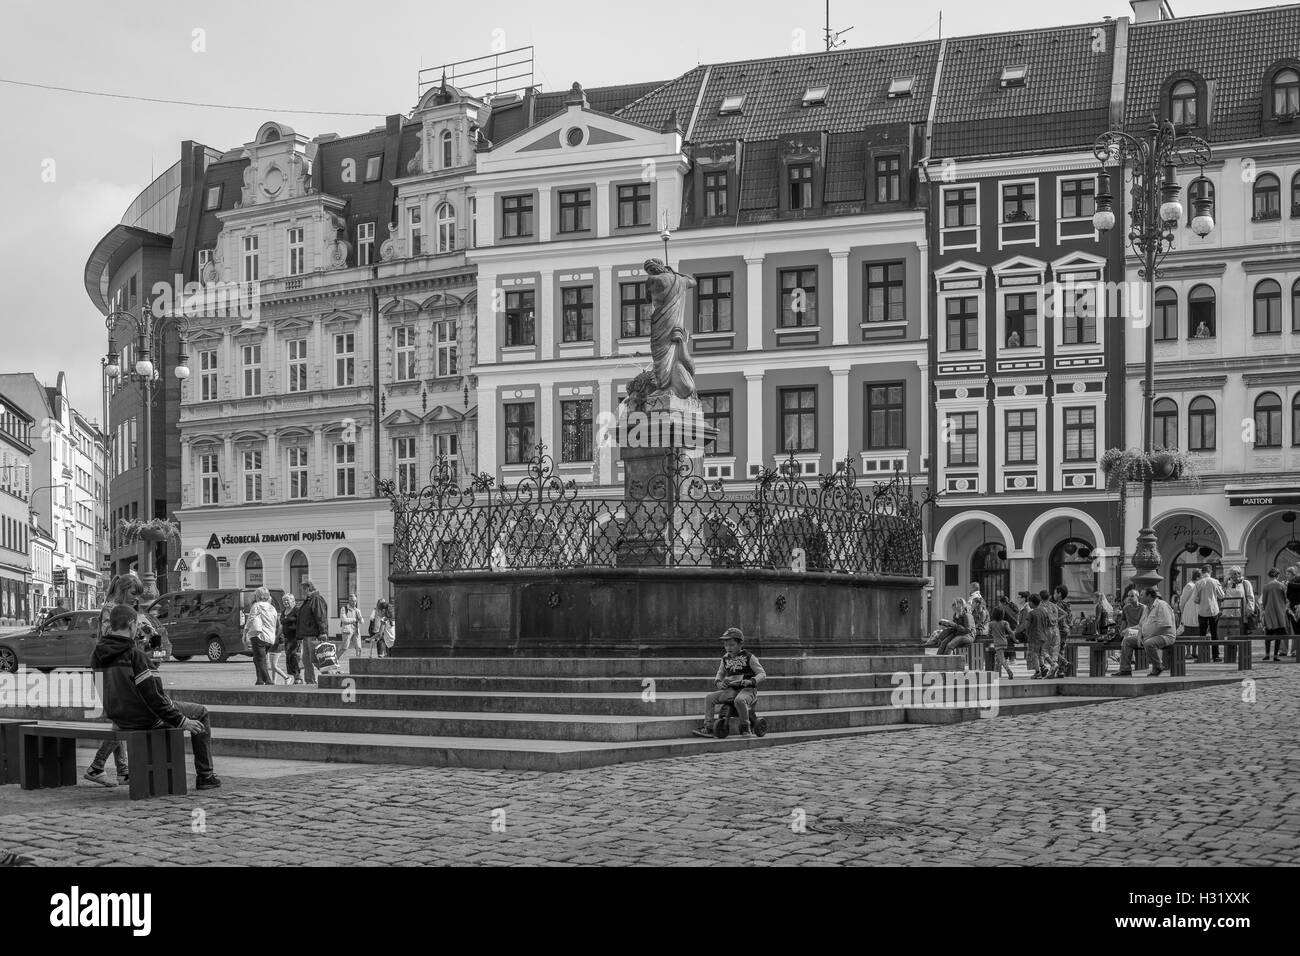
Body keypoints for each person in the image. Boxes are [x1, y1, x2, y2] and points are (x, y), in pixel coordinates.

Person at [91, 603, 221, 790]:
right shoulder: (135, 656)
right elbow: (155, 698)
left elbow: (103, 689)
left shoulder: (97, 654)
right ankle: (206, 776)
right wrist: (181, 721)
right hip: (145, 717)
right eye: (136, 624)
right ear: (131, 624)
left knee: (177, 708)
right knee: (200, 712)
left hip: (118, 716)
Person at [693, 627, 766, 738]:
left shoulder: (749, 657)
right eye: (726, 645)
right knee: (709, 698)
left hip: (747, 690)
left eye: (732, 645)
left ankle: (745, 727)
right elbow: (720, 672)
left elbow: (762, 674)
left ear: (740, 644)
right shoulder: (725, 658)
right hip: (731, 690)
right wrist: (718, 682)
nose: (728, 648)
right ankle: (709, 727)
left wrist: (752, 681)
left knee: (740, 700)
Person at [1116, 586, 1177, 677]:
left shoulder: (1162, 606)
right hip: (1147, 636)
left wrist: (1148, 636)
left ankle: (1157, 667)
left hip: (1165, 636)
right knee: (1127, 641)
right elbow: (1141, 626)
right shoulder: (1147, 608)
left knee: (1148, 643)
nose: (1140, 597)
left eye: (1142, 595)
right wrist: (1139, 636)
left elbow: (1166, 625)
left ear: (1149, 596)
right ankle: (1125, 670)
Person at [1014, 592, 1056, 678]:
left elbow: (1026, 625)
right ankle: (1043, 667)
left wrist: (1016, 631)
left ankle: (1037, 672)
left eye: (1029, 602)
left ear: (1032, 603)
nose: (1028, 604)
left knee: (1034, 654)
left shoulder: (1031, 613)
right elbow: (1050, 623)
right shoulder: (1044, 611)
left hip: (1034, 636)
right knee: (1040, 654)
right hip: (1044, 636)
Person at [243, 587, 279, 685]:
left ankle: (268, 680)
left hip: (259, 636)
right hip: (270, 638)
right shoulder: (272, 608)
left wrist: (245, 633)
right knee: (257, 658)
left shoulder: (257, 606)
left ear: (258, 596)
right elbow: (275, 623)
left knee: (260, 659)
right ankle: (259, 680)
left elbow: (250, 620)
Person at [296, 579, 330, 685]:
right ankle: (310, 681)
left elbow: (320, 616)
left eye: (303, 590)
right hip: (307, 634)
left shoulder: (316, 599)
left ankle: (329, 676)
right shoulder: (309, 600)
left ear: (308, 589)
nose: (302, 592)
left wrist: (323, 632)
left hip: (314, 634)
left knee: (316, 659)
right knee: (306, 660)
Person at [1193, 569, 1225, 662]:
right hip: (1213, 610)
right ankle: (1216, 656)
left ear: (1202, 572)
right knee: (1214, 633)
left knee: (1202, 634)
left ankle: (1202, 656)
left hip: (1202, 611)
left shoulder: (1198, 583)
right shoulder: (1215, 582)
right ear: (1210, 571)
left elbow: (1195, 599)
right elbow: (1222, 596)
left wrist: (1201, 600)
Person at [1261, 568, 1290, 660]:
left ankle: (1267, 654)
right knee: (1279, 634)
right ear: (1278, 575)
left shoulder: (1266, 586)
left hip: (1269, 612)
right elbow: (1286, 599)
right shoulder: (1282, 586)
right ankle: (1275, 655)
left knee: (1268, 634)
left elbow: (1264, 601)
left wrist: (1265, 609)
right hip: (1280, 611)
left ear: (1269, 576)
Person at [268, 594, 291, 685]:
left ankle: (286, 677)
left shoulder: (273, 615)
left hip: (275, 642)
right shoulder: (274, 614)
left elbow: (279, 629)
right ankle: (274, 681)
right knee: (273, 665)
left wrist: (276, 638)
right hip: (271, 641)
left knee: (273, 666)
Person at [987, 607, 1015, 680]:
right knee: (998, 659)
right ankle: (995, 675)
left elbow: (989, 633)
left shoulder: (991, 624)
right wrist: (1015, 639)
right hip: (1004, 642)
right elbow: (1010, 632)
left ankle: (1009, 672)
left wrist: (991, 634)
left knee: (1001, 659)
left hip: (997, 643)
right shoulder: (1005, 623)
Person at [336, 594, 364, 665]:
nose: (354, 602)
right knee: (344, 647)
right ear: (349, 601)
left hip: (356, 631)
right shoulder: (344, 609)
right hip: (347, 631)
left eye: (355, 601)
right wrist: (355, 619)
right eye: (352, 601)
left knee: (359, 647)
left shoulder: (357, 610)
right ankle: (335, 659)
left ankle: (358, 663)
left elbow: (362, 621)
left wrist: (360, 618)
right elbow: (344, 620)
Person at [281, 594, 303, 683]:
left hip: (295, 638)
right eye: (284, 601)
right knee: (289, 658)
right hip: (287, 638)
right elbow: (282, 625)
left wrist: (301, 636)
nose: (285, 602)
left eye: (287, 600)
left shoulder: (297, 610)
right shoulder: (284, 611)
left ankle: (298, 677)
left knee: (295, 656)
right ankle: (295, 677)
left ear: (293, 601)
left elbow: (301, 623)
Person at [1285, 566, 1300, 658]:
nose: (1286, 575)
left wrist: (1289, 585)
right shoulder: (1289, 583)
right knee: (1296, 631)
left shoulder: (1297, 580)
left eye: (1288, 573)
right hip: (1292, 610)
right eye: (1286, 573)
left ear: (1293, 574)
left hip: (1298, 608)